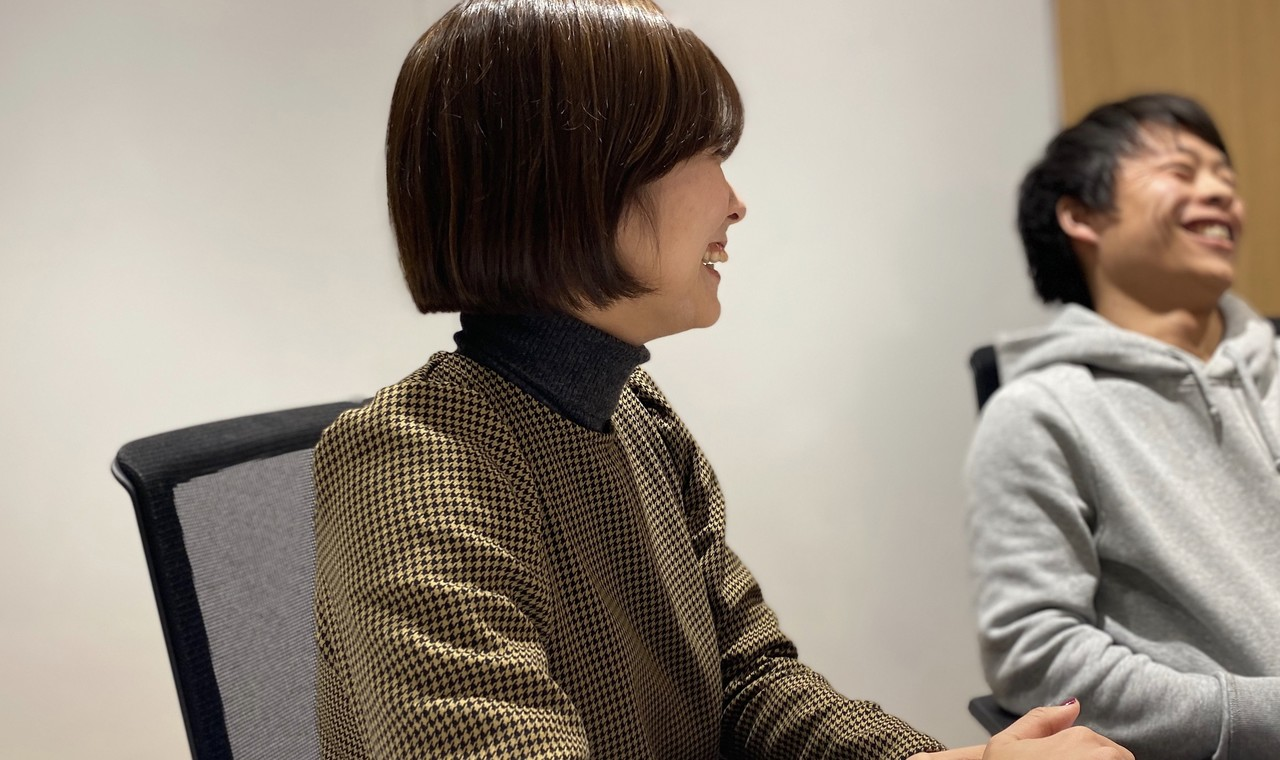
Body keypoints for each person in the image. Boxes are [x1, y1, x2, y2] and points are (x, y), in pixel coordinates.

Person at [313, 0, 1132, 757]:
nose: (734, 202)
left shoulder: (638, 414)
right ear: (571, 176)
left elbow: (749, 680)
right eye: (704, 153)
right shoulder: (408, 461)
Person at [967, 93, 1280, 759]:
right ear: (1081, 216)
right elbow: (1037, 656)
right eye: (1182, 170)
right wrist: (1253, 716)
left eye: (1225, 177)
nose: (1221, 193)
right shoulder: (1042, 412)